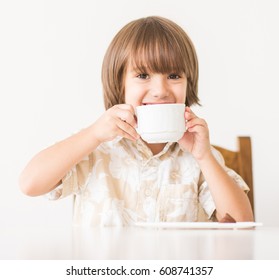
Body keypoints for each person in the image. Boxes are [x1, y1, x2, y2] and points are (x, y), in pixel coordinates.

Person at [19, 16, 254, 226]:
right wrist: (93, 134)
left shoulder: (199, 157)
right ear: (118, 83)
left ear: (188, 84)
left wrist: (204, 157)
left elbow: (242, 224)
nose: (160, 90)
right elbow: (30, 184)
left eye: (173, 76)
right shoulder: (96, 149)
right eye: (143, 76)